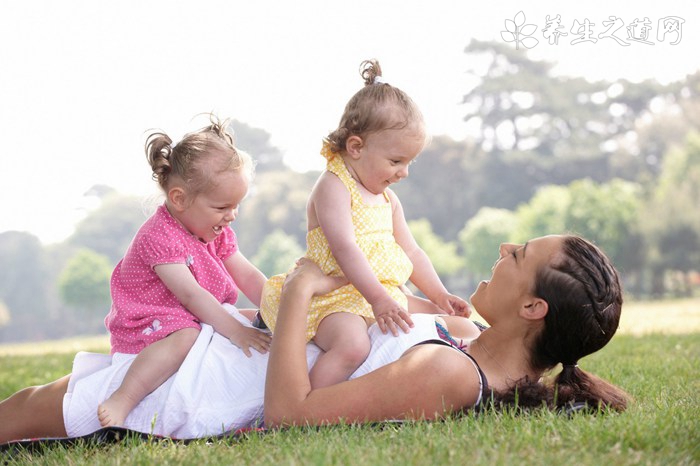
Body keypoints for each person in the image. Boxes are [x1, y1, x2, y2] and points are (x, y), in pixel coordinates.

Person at [0, 234, 628, 443]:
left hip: (207, 390)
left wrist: (301, 292)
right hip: (228, 348)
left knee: (26, 411)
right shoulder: (462, 336)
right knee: (29, 403)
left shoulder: (453, 375)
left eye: (517, 253)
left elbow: (290, 414)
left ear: (532, 305)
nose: (502, 249)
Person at [258, 59, 469, 389]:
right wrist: (378, 300)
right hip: (334, 298)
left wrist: (439, 294)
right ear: (356, 147)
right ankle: (308, 407)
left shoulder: (387, 199)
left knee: (439, 317)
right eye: (396, 161)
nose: (404, 172)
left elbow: (411, 251)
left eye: (409, 162)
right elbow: (345, 248)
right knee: (353, 346)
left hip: (378, 292)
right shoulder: (334, 186)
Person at [96, 115, 272, 428]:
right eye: (221, 207)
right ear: (179, 198)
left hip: (191, 313)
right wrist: (235, 332)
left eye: (236, 206)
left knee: (253, 316)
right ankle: (124, 397)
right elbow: (191, 296)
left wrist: (277, 305)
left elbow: (246, 275)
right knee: (188, 335)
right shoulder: (158, 236)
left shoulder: (215, 231)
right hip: (151, 321)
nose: (231, 216)